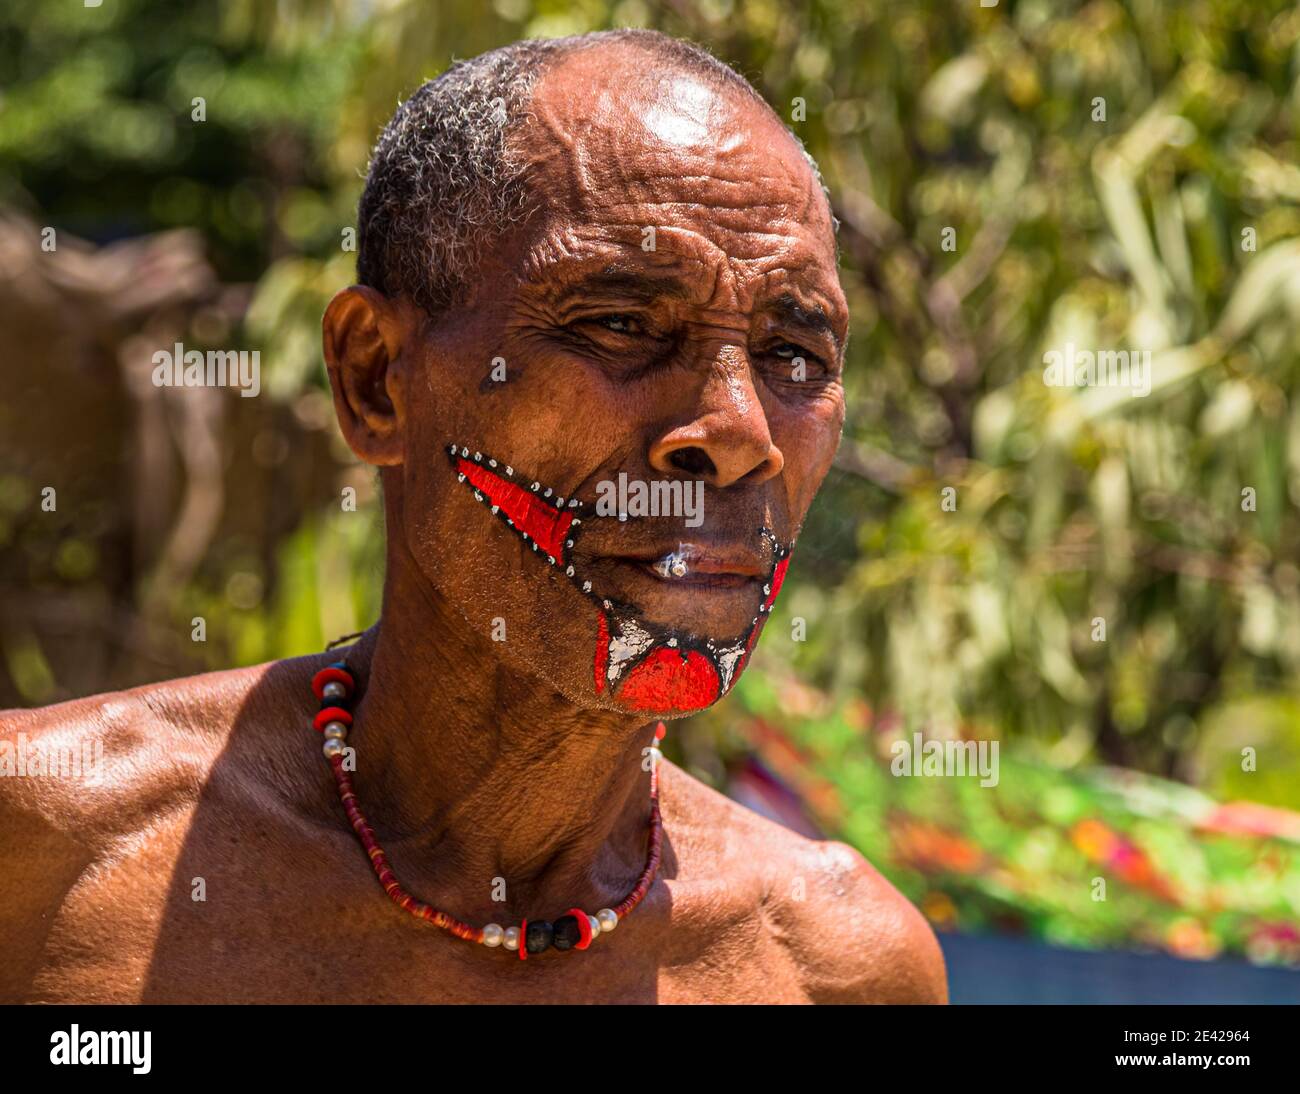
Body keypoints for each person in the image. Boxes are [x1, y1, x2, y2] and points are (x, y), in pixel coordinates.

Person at [0, 28, 947, 1004]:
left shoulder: (833, 965)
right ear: (375, 379)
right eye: (621, 324)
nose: (739, 430)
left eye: (793, 352)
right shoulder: (42, 853)